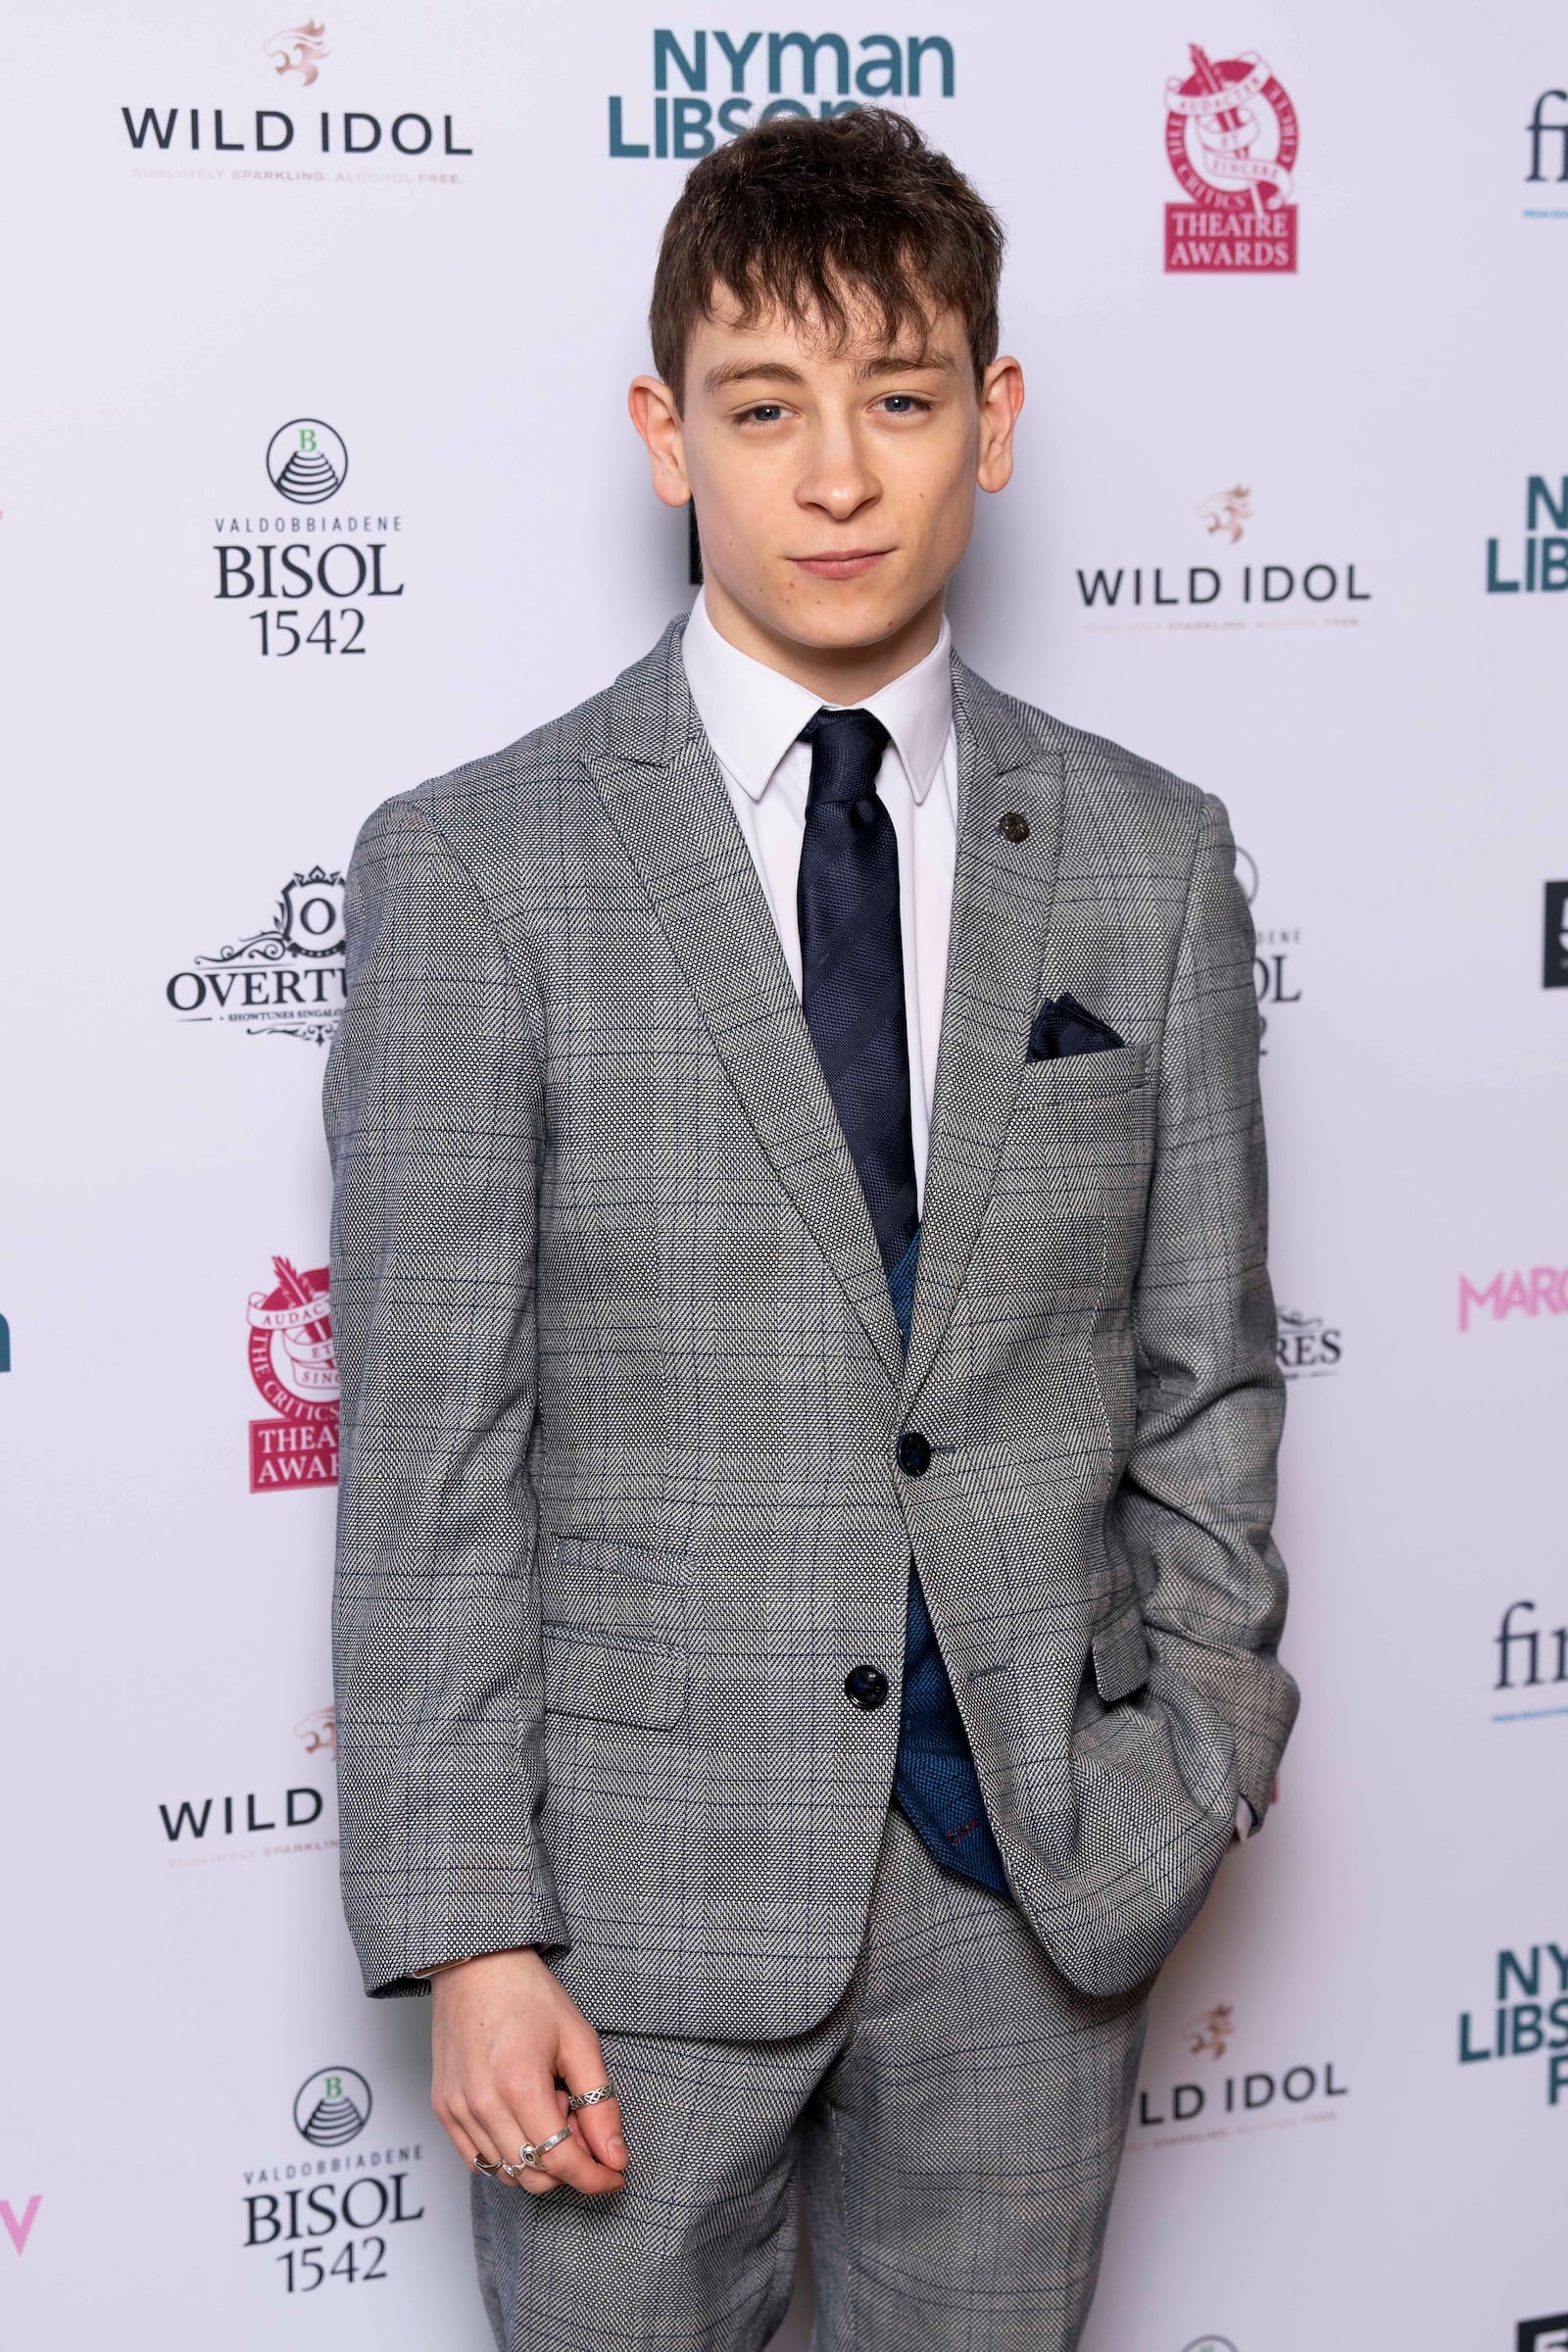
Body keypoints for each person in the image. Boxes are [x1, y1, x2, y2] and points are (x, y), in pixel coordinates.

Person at [323, 106, 1298, 2352]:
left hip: (1033, 1908)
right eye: (764, 410)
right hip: (624, 1945)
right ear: (669, 437)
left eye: (899, 399)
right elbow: (433, 1453)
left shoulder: (1148, 861)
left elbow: (1205, 1370)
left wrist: (1189, 1772)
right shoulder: (480, 868)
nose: (835, 477)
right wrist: (476, 1932)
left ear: (995, 420)